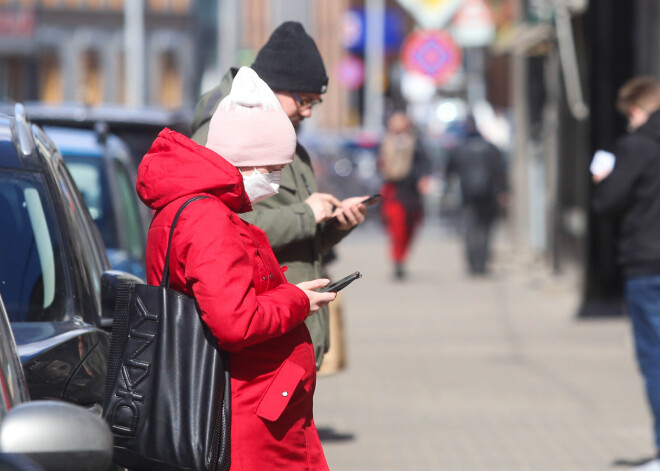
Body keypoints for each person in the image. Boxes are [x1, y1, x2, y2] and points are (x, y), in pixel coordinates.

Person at [136, 67, 336, 470]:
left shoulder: (194, 209)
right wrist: (296, 300)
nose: (276, 184)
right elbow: (235, 322)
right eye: (273, 170)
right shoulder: (208, 219)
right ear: (245, 162)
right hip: (246, 413)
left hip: (246, 403)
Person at [191, 21, 370, 370]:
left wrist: (333, 224)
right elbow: (225, 230)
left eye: (315, 103)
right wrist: (306, 214)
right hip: (261, 335)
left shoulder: (281, 133)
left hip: (285, 325)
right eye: (304, 100)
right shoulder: (224, 132)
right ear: (271, 88)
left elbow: (293, 238)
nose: (308, 112)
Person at [592, 76, 660, 471]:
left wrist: (604, 181)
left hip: (648, 264)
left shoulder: (635, 146)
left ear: (636, 109)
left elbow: (608, 203)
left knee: (655, 359)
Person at [445, 115, 508, 276]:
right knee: (485, 230)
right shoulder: (491, 148)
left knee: (471, 230)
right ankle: (482, 264)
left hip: (468, 195)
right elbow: (500, 172)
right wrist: (503, 192)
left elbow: (449, 173)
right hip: (488, 194)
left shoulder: (459, 148)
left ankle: (473, 264)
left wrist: (448, 191)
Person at [378, 111, 429, 279]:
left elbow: (424, 163)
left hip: (411, 192)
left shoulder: (415, 142)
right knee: (396, 226)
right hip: (393, 190)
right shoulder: (386, 141)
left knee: (410, 227)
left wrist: (423, 178)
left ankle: (402, 256)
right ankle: (397, 259)